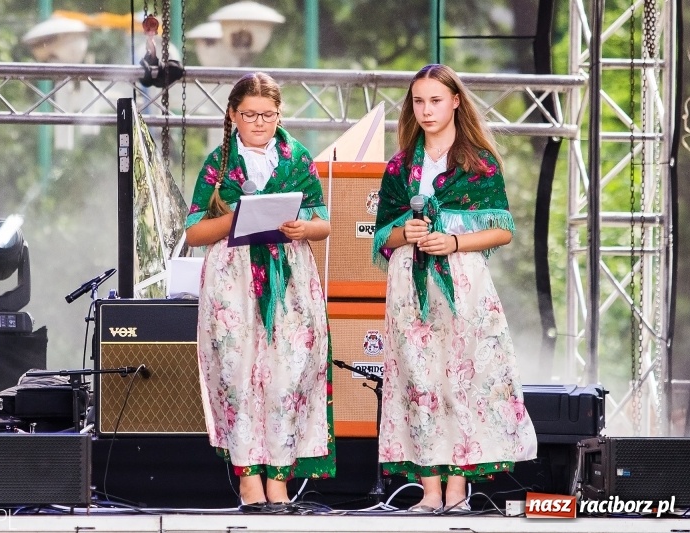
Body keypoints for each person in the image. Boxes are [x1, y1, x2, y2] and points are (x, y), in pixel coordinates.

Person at [371, 64, 538, 514]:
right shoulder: (400, 166)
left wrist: (455, 241)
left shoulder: (478, 163)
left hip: (462, 280)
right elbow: (380, 234)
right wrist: (403, 233)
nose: (426, 110)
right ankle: (429, 491)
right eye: (418, 102)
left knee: (459, 378)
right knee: (418, 377)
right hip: (410, 282)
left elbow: (501, 229)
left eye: (435, 100)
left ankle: (457, 492)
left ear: (456, 102)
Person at [185, 72, 335, 513]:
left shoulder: (297, 158)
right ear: (232, 115)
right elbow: (194, 232)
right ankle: (249, 478)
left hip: (288, 273)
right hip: (233, 279)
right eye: (249, 115)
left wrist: (302, 227)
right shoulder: (220, 162)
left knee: (288, 374)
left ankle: (279, 478)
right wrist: (240, 218)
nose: (259, 123)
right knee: (238, 374)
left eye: (268, 115)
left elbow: (324, 223)